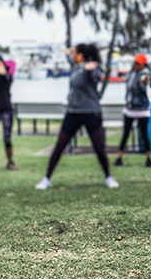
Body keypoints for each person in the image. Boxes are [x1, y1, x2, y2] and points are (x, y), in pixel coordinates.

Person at [35, 44, 119, 190]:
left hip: (91, 113)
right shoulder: (75, 66)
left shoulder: (93, 67)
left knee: (99, 147)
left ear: (80, 55)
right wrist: (67, 52)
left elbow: (95, 76)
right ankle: (46, 178)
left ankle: (108, 177)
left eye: (74, 52)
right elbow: (70, 58)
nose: (72, 55)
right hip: (73, 113)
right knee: (60, 145)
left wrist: (89, 70)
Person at [113, 53, 151, 167]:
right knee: (125, 134)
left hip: (141, 110)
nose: (135, 65)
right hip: (130, 109)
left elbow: (144, 82)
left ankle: (148, 159)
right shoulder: (132, 73)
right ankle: (119, 158)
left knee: (144, 135)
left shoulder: (145, 74)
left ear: (143, 65)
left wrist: (145, 81)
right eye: (135, 63)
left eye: (138, 64)